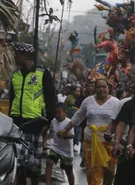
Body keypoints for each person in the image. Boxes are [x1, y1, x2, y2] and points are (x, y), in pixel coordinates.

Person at [9, 42, 57, 185]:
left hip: (35, 125)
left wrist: (47, 122)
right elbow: (12, 99)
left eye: (16, 54)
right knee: (18, 166)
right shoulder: (15, 75)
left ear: (24, 55)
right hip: (17, 125)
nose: (14, 57)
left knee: (34, 168)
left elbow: (51, 100)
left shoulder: (43, 74)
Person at [63, 78, 120, 185]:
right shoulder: (88, 101)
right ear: (94, 88)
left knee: (109, 174)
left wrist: (116, 140)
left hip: (108, 144)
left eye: (104, 87)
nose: (101, 89)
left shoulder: (116, 102)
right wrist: (65, 129)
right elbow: (78, 116)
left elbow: (119, 123)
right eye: (99, 87)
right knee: (92, 174)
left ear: (108, 88)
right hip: (90, 143)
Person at [44, 104, 75, 185]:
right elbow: (49, 132)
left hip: (67, 151)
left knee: (68, 171)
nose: (57, 115)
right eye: (56, 113)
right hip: (55, 147)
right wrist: (45, 142)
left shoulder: (69, 122)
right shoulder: (53, 121)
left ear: (65, 113)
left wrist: (64, 135)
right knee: (49, 162)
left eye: (59, 113)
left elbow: (72, 135)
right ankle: (47, 183)